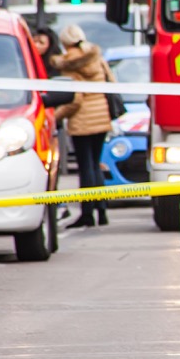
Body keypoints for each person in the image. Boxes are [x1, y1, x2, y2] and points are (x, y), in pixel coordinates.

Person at [52, 24, 113, 227]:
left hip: (82, 119)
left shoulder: (70, 62)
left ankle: (87, 213)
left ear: (65, 42)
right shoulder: (95, 56)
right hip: (101, 115)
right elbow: (111, 82)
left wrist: (55, 116)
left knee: (85, 167)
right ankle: (101, 211)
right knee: (95, 164)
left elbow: (74, 99)